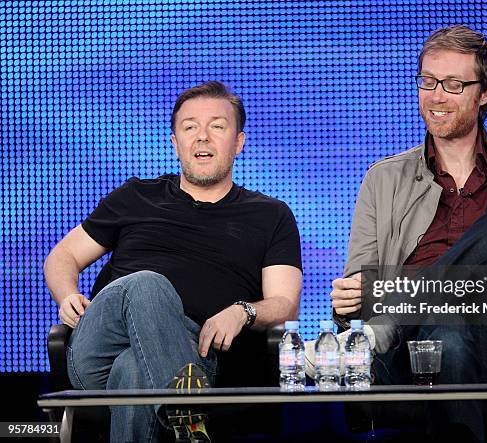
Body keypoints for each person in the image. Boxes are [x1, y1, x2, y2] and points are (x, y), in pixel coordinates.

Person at [323, 26, 487, 442]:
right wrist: (351, 293)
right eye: (428, 81)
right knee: (446, 332)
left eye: (453, 84)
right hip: (403, 356)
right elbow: (362, 285)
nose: (435, 96)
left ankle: (394, 322)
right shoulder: (383, 179)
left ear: (484, 94)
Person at [44, 81, 303, 443]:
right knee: (147, 283)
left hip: (201, 357)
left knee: (133, 369)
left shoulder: (270, 215)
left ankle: (182, 411)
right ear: (175, 143)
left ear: (238, 143)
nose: (202, 137)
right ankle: (187, 408)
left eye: (217, 126)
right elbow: (63, 256)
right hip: (98, 352)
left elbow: (285, 304)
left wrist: (242, 311)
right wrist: (67, 294)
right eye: (190, 127)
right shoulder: (136, 196)